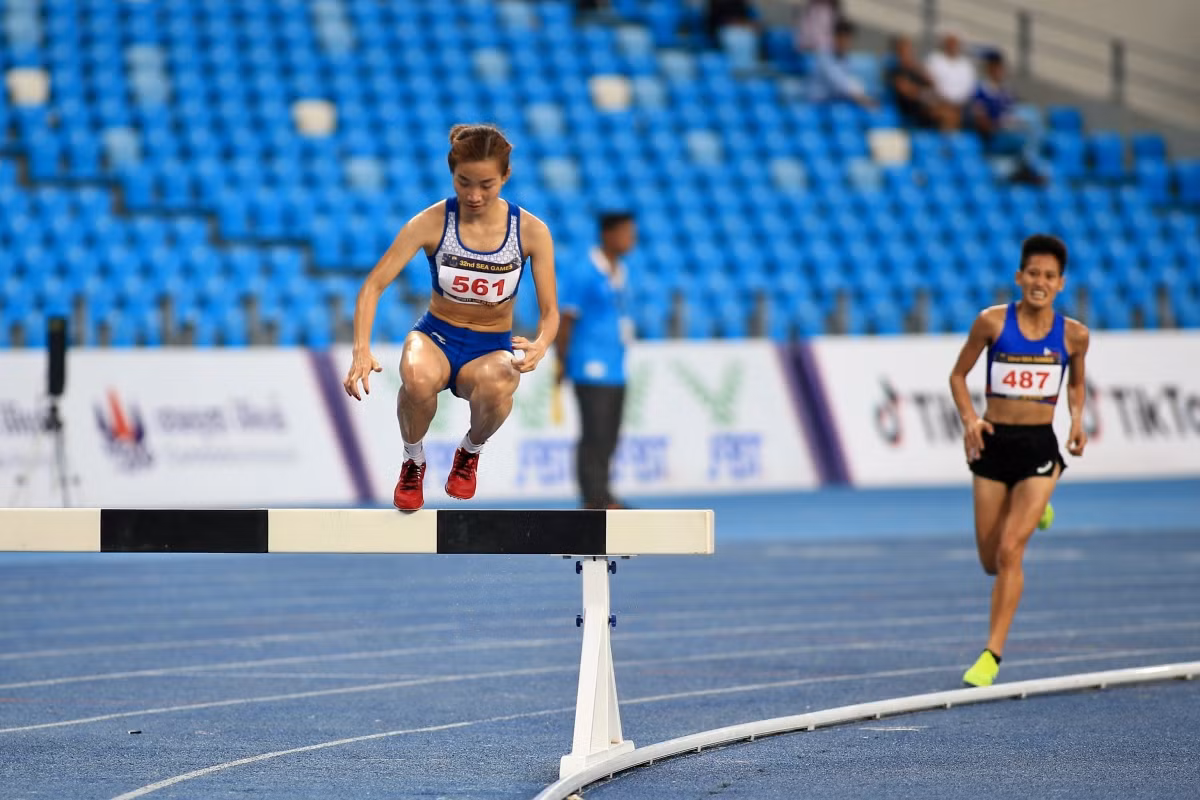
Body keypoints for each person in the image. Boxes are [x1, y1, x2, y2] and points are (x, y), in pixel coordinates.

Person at [342, 124, 559, 510]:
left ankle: (469, 452)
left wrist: (542, 343)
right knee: (416, 376)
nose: (474, 195)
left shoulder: (531, 231)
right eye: (464, 183)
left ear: (506, 175)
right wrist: (361, 348)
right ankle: (413, 460)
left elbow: (550, 312)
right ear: (451, 172)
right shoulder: (431, 222)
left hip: (490, 346)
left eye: (487, 184)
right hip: (436, 335)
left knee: (502, 383)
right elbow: (373, 285)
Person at [948, 234, 1089, 687]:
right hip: (993, 445)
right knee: (990, 561)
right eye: (1033, 274)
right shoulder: (991, 323)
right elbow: (957, 374)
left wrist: (1076, 421)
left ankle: (992, 654)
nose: (1040, 282)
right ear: (1019, 276)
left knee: (1011, 551)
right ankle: (1036, 509)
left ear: (1060, 283)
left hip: (1038, 450)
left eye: (1049, 276)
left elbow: (1075, 385)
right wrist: (970, 419)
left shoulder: (1074, 335)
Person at [555, 211, 636, 510]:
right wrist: (561, 361)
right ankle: (593, 497)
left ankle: (605, 492)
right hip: (589, 364)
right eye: (626, 233)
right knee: (594, 432)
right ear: (607, 234)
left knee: (610, 434)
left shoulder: (621, 270)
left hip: (615, 365)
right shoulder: (584, 271)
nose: (631, 239)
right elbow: (566, 318)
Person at [970, 50, 1047, 184]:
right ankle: (1027, 165)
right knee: (1029, 117)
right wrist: (999, 125)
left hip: (1012, 132)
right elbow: (981, 120)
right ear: (990, 69)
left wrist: (1013, 121)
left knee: (1030, 114)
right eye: (998, 69)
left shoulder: (1006, 90)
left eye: (1002, 69)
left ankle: (1027, 165)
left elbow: (1014, 109)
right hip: (996, 137)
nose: (1001, 72)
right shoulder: (981, 91)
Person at [886, 35, 959, 131]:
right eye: (904, 51)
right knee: (947, 115)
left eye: (909, 51)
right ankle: (945, 142)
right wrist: (923, 94)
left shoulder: (915, 69)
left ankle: (949, 142)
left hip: (924, 103)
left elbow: (931, 84)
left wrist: (918, 69)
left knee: (953, 112)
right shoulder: (895, 70)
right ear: (898, 52)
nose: (908, 54)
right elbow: (906, 91)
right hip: (910, 108)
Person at [809, 19, 876, 109]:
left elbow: (850, 80)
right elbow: (839, 82)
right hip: (819, 104)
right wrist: (863, 99)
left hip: (835, 102)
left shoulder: (845, 58)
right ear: (835, 37)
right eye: (842, 38)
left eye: (848, 39)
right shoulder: (823, 56)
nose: (845, 43)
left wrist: (862, 95)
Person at [925, 31, 977, 113]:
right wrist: (945, 102)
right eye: (950, 42)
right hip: (939, 103)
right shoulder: (934, 59)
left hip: (961, 106)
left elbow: (969, 89)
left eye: (954, 42)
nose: (952, 45)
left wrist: (958, 104)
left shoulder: (966, 65)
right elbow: (931, 83)